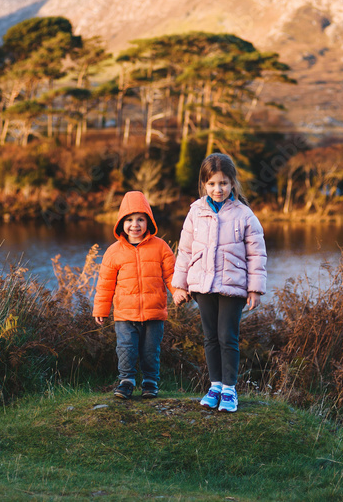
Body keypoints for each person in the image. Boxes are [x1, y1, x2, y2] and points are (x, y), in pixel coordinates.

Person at [171, 153, 267, 413]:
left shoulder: (244, 215)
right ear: (204, 184)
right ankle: (214, 385)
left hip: (232, 285)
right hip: (202, 286)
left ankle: (229, 390)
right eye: (212, 183)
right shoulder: (195, 212)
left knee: (228, 337)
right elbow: (185, 251)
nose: (218, 189)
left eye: (223, 183)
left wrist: (255, 289)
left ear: (233, 183)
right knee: (210, 337)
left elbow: (256, 254)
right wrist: (179, 286)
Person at [93, 191, 176, 400]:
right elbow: (105, 284)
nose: (135, 225)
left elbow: (172, 275)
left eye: (141, 219)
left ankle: (150, 382)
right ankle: (126, 381)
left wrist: (179, 292)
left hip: (154, 312)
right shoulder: (114, 252)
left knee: (150, 351)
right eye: (129, 220)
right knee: (126, 348)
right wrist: (101, 309)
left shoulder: (161, 247)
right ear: (121, 223)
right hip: (124, 314)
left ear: (149, 221)